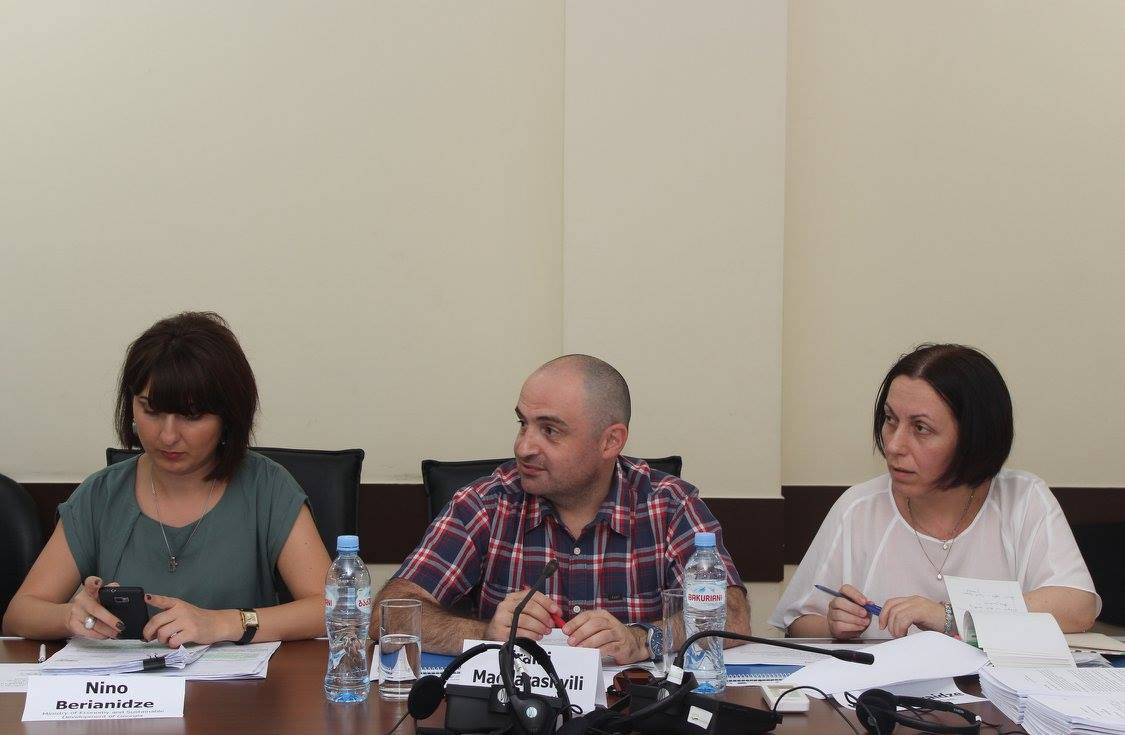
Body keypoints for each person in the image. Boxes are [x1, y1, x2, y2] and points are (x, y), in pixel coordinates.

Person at [377, 354, 750, 664]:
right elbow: (390, 610)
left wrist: (642, 640)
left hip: (634, 713)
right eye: (523, 423)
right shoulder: (486, 503)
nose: (523, 447)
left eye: (550, 430)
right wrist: (485, 633)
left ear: (610, 442)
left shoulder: (669, 505)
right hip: (512, 710)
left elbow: (732, 616)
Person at [2, 312, 331, 647]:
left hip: (240, 680)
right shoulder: (101, 494)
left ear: (228, 417)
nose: (168, 435)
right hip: (125, 681)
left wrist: (223, 623)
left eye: (191, 415)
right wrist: (71, 615)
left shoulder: (268, 487)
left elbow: (332, 607)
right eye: (151, 410)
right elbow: (20, 613)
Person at [771, 343, 1100, 639]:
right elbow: (797, 622)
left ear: (973, 436)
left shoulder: (1023, 498)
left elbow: (1078, 606)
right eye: (890, 420)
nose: (894, 445)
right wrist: (834, 626)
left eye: (921, 428)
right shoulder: (859, 507)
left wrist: (950, 616)